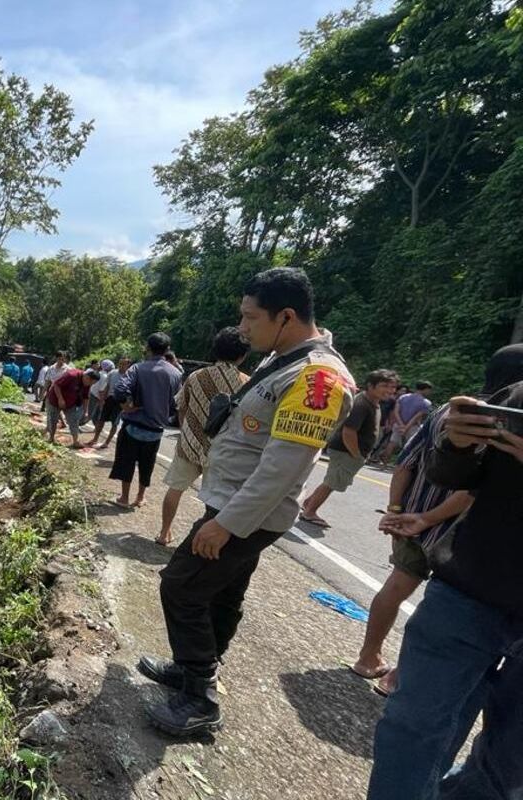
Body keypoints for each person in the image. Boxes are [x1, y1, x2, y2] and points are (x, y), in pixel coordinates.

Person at [138, 268, 355, 737]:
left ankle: (199, 698)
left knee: (180, 585)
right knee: (222, 591)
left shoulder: (317, 378)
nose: (242, 328)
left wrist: (228, 524)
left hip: (248, 514)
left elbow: (284, 468)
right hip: (234, 504)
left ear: (287, 316)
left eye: (250, 317)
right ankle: (193, 669)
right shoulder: (281, 359)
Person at [367, 344, 523, 800]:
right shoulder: (514, 394)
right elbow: (453, 478)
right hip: (468, 591)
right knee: (412, 727)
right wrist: (455, 444)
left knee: (506, 763)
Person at [350, 399, 473, 695]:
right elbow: (471, 492)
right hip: (458, 534)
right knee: (437, 605)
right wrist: (428, 519)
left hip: (411, 518)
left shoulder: (446, 411)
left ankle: (368, 658)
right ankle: (397, 677)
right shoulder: (502, 425)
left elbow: (406, 462)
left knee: (395, 588)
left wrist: (395, 509)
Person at [156, 327, 250, 546]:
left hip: (190, 442)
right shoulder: (246, 383)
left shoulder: (196, 376)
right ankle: (204, 542)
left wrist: (185, 431)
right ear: (243, 355)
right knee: (215, 500)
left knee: (175, 489)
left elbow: (181, 406)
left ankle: (164, 533)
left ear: (215, 350)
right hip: (222, 449)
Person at [298, 369, 400, 527]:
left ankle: (309, 503)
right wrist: (356, 454)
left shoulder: (373, 402)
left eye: (393, 387)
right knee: (332, 482)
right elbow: (348, 431)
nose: (390, 390)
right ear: (370, 385)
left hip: (349, 451)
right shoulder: (362, 404)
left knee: (333, 481)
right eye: (384, 385)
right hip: (345, 450)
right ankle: (309, 512)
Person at [109, 333, 183, 509]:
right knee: (146, 465)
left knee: (126, 463)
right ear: (167, 350)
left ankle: (124, 498)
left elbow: (120, 390)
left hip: (133, 425)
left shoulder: (137, 368)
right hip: (156, 429)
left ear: (147, 348)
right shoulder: (175, 373)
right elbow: (177, 402)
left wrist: (126, 406)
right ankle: (140, 497)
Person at [378, 380, 433, 465]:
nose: (429, 392)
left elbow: (396, 411)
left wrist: (401, 424)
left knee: (392, 442)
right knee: (410, 445)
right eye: (429, 390)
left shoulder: (403, 397)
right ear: (425, 389)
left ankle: (384, 462)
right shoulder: (426, 402)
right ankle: (403, 464)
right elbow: (416, 417)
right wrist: (406, 427)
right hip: (413, 427)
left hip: (398, 424)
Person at [47, 367, 98, 447]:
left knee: (73, 420)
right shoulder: (71, 375)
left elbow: (85, 397)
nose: (90, 385)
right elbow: (56, 385)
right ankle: (51, 438)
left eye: (93, 384)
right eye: (90, 383)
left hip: (70, 403)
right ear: (87, 377)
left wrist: (86, 411)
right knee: (53, 419)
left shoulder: (87, 384)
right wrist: (60, 399)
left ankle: (75, 441)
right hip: (55, 399)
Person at [94, 357, 134, 449]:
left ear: (128, 365)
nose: (121, 366)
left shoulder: (130, 376)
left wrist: (127, 405)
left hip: (120, 401)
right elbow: (107, 386)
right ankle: (95, 438)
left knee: (115, 422)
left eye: (124, 364)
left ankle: (107, 442)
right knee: (101, 420)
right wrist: (102, 400)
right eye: (120, 363)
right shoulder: (112, 373)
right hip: (109, 399)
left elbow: (131, 392)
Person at [85, 359, 114, 435]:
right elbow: (101, 391)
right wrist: (102, 402)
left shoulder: (101, 373)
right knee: (90, 415)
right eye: (111, 367)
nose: (112, 369)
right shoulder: (104, 376)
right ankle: (76, 424)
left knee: (96, 414)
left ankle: (96, 428)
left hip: (95, 395)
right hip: (95, 396)